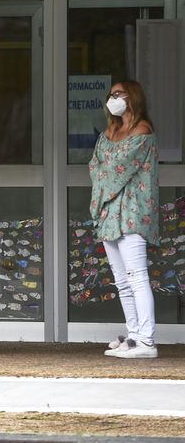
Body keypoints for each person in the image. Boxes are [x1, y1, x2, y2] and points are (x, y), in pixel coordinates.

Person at [89, 80, 159, 359]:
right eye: (111, 94)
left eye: (119, 94)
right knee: (121, 279)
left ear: (133, 98)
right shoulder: (110, 131)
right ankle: (133, 335)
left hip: (132, 213)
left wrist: (105, 176)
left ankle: (147, 340)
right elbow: (95, 165)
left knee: (137, 277)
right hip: (109, 214)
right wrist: (104, 175)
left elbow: (119, 168)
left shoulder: (142, 130)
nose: (113, 98)